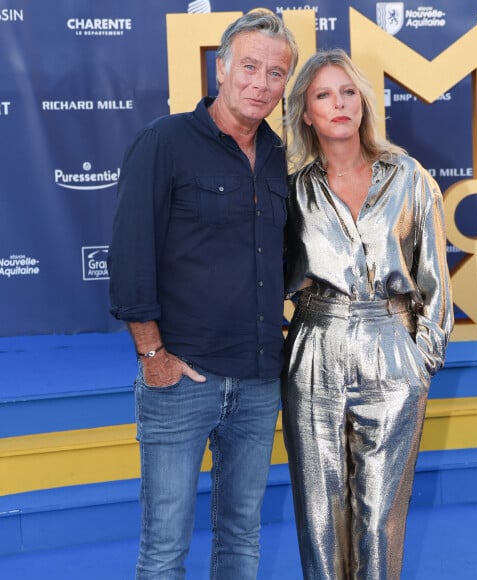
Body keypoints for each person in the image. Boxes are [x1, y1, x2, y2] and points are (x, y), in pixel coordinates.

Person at [107, 10, 298, 579]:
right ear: (221, 69)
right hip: (181, 377)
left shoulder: (278, 157)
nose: (261, 83)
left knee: (242, 538)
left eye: (276, 73)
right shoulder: (163, 142)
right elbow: (129, 255)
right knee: (165, 549)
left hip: (260, 380)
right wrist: (152, 356)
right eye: (250, 67)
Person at [281, 49, 454, 580]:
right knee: (320, 520)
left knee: (381, 521)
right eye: (323, 95)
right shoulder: (291, 189)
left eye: (348, 92)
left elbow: (435, 284)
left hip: (393, 351)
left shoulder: (409, 178)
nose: (339, 105)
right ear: (306, 113)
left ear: (363, 103)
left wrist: (420, 362)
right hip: (314, 351)